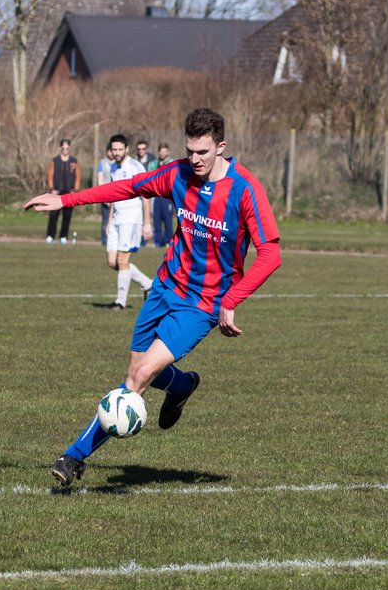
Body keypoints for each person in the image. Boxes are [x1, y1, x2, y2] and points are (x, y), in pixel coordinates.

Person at [24, 107, 282, 486]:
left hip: (203, 303)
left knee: (140, 375)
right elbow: (128, 187)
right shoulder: (178, 173)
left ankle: (74, 457)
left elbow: (271, 253)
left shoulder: (245, 190)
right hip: (165, 287)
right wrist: (66, 201)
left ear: (221, 147)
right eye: (189, 150)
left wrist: (231, 300)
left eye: (203, 153)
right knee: (136, 369)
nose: (194, 160)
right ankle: (181, 385)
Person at [100, 134, 154, 309]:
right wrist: (109, 221)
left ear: (127, 149)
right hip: (116, 220)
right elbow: (115, 196)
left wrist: (147, 222)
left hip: (131, 219)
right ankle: (148, 284)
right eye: (114, 150)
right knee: (111, 261)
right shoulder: (113, 168)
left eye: (120, 149)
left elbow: (146, 195)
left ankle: (120, 302)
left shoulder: (135, 167)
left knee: (123, 260)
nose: (116, 153)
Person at [45, 138, 80, 244]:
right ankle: (50, 235)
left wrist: (75, 190)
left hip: (69, 192)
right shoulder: (55, 161)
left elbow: (78, 176)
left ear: (69, 148)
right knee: (53, 215)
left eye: (67, 147)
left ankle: (63, 236)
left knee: (67, 216)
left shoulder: (74, 161)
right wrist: (52, 189)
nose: (65, 149)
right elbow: (50, 174)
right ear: (60, 147)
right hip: (57, 192)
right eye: (63, 147)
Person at [150, 142, 176, 246]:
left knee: (168, 220)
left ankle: (168, 241)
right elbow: (150, 177)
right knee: (156, 220)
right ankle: (158, 242)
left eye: (165, 151)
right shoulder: (153, 164)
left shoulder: (172, 163)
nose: (162, 153)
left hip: (167, 196)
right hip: (156, 196)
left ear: (168, 152)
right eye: (161, 151)